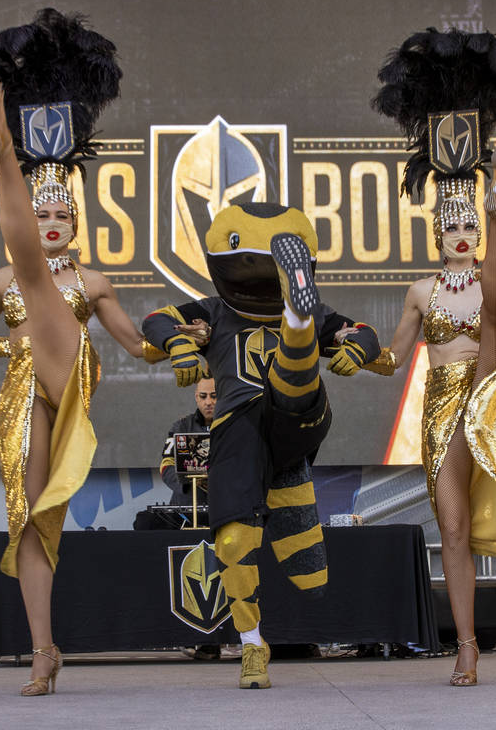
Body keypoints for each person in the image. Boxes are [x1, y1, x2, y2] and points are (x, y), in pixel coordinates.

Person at [0, 8, 140, 696]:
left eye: (61, 216)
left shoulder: (92, 280)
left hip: (69, 379)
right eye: (42, 217)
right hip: (22, 385)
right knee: (32, 521)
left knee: (30, 272)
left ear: (75, 221)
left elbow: (132, 340)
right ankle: (44, 649)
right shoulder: (2, 282)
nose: (53, 223)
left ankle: (1, 148)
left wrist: (183, 342)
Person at [143, 201, 381, 689]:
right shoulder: (212, 312)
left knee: (292, 383)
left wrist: (358, 347)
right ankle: (252, 646)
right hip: (239, 435)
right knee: (232, 542)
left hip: (296, 417)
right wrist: (180, 344)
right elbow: (155, 320)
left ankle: (297, 322)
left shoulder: (322, 315)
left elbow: (366, 332)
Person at [372, 28, 496, 687]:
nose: (459, 235)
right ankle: (464, 644)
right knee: (454, 530)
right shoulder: (420, 291)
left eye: (470, 226)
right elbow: (395, 356)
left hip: (488, 386)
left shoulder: (491, 283)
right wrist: (358, 356)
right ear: (437, 234)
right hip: (441, 405)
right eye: (453, 227)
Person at [160, 377, 216, 507]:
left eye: (214, 396)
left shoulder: (235, 427)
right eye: (203, 396)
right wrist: (189, 483)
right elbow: (166, 465)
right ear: (196, 397)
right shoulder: (181, 426)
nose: (208, 402)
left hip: (227, 503)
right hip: (188, 502)